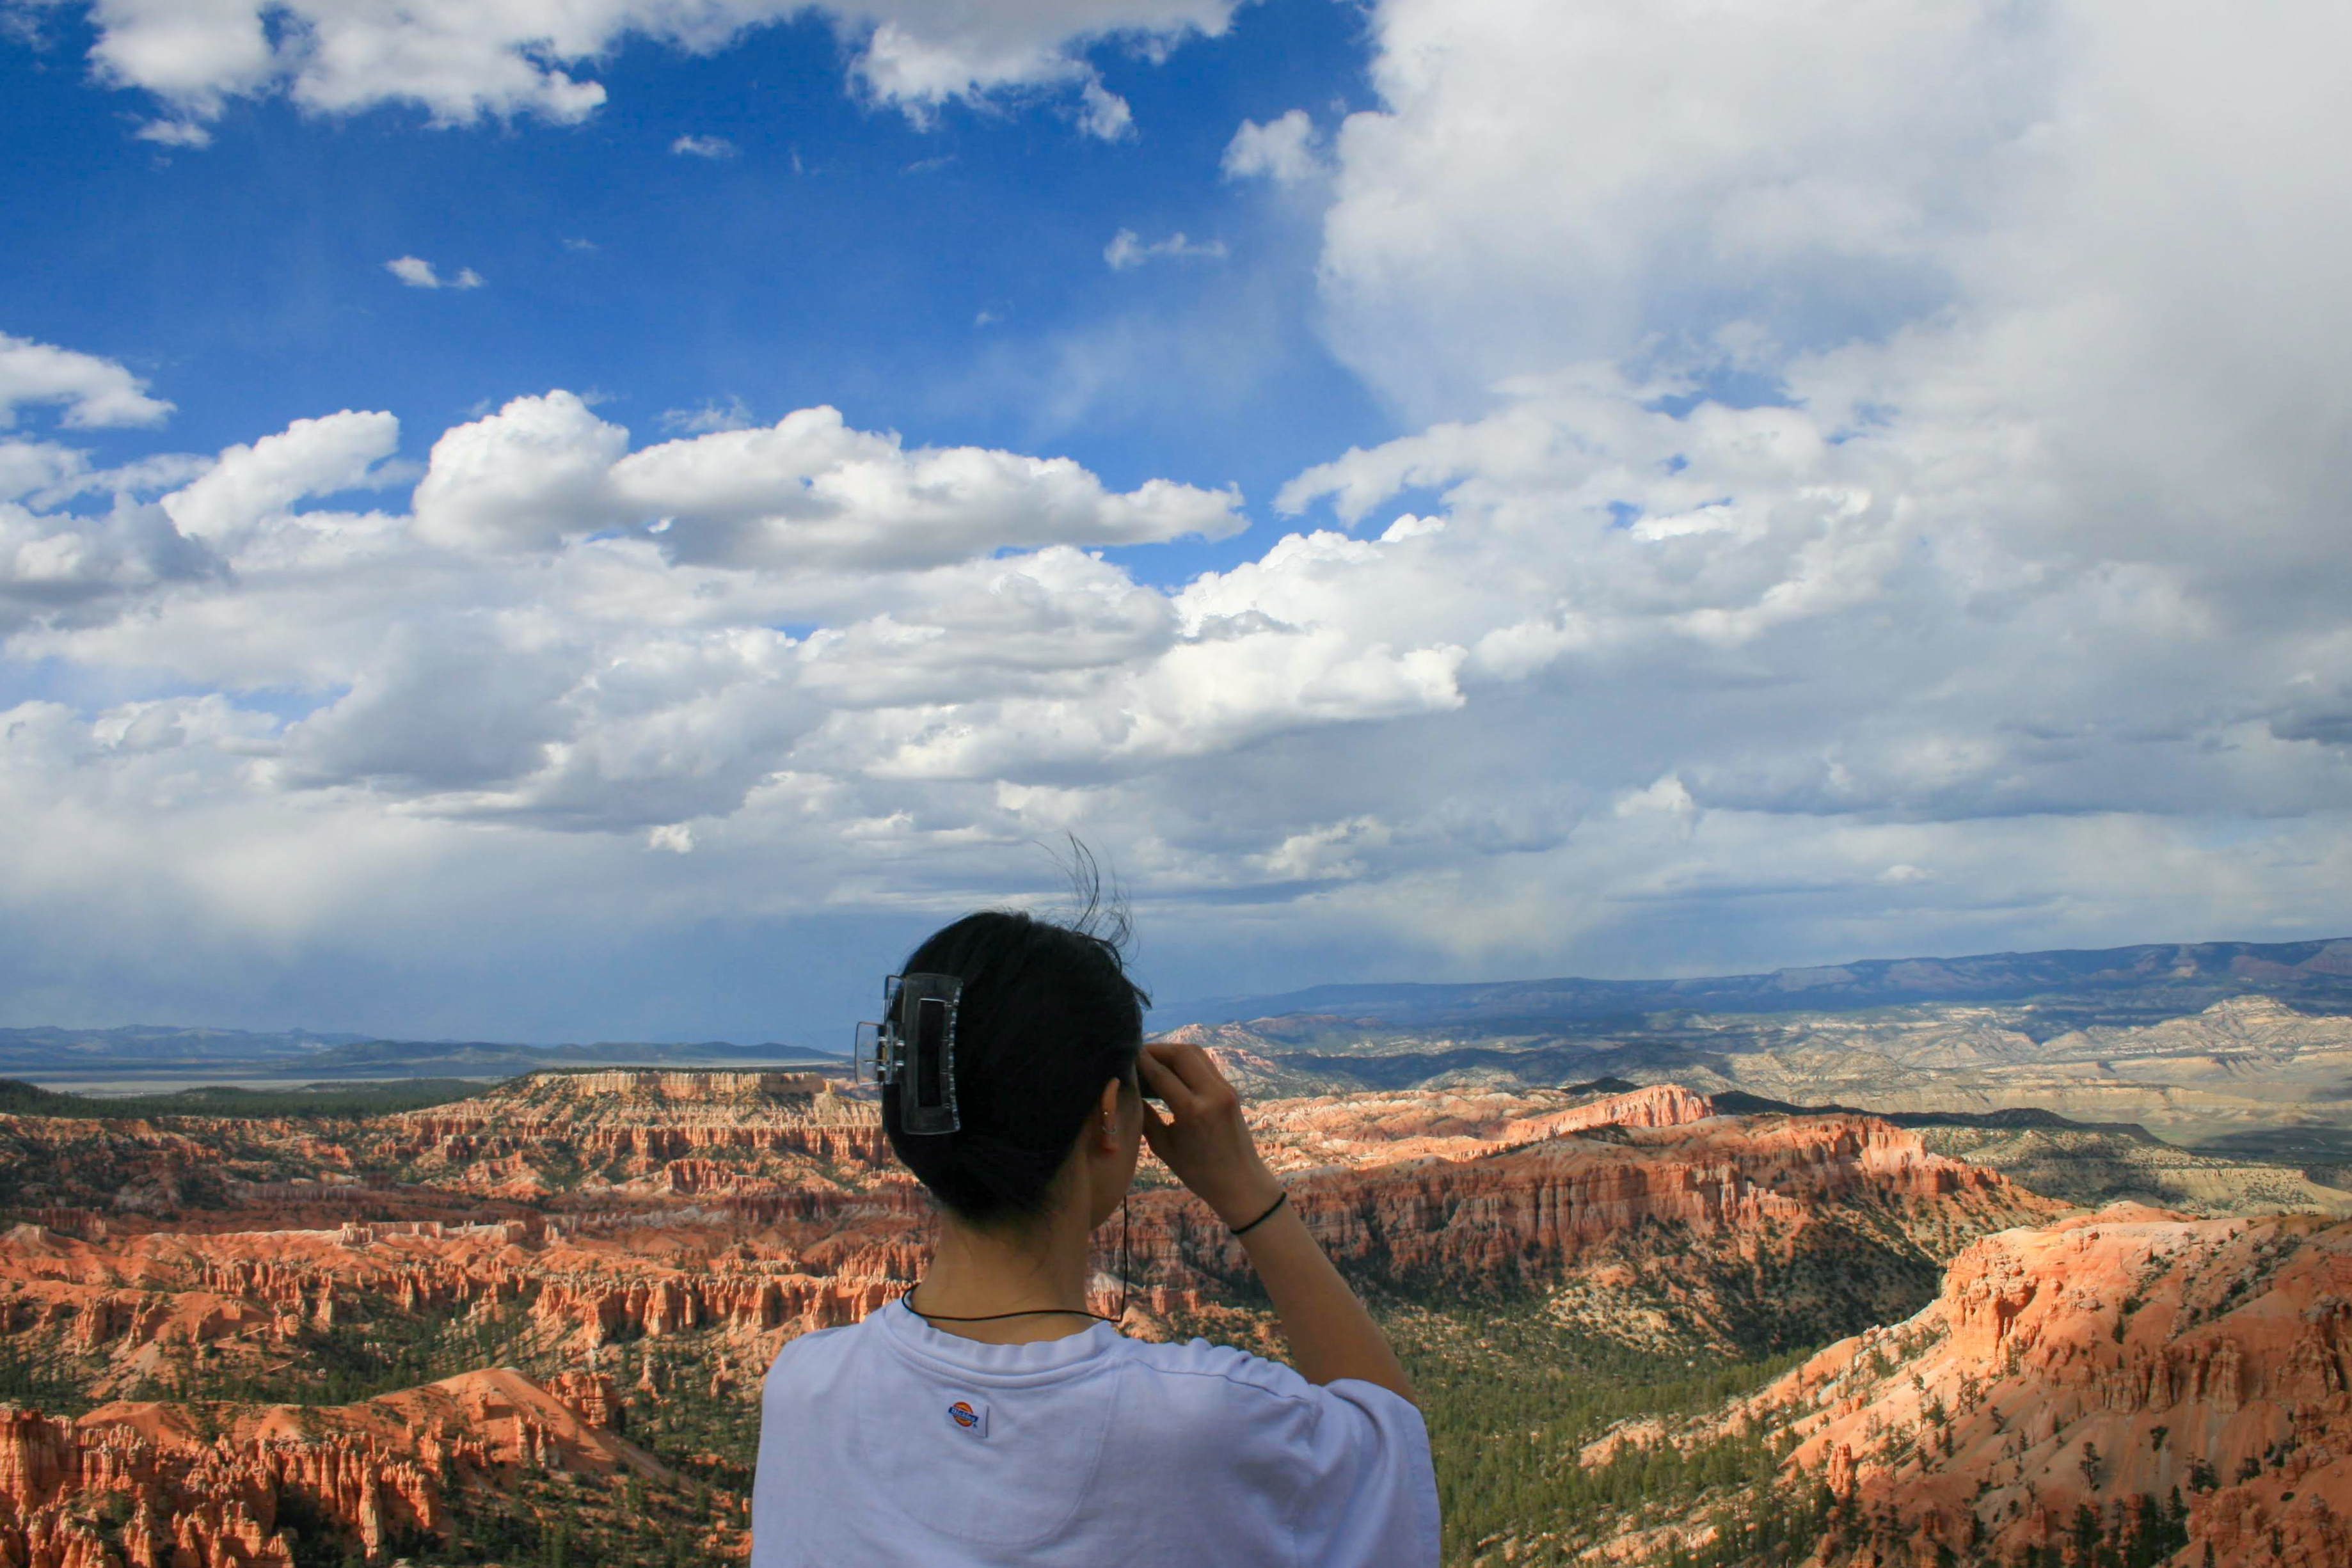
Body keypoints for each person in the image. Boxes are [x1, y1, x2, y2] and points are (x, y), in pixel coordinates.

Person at [749, 906, 1440, 1567]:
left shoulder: (805, 1387)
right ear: (1108, 1116)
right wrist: (1250, 1195)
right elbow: (1390, 1462)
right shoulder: (1205, 1423)